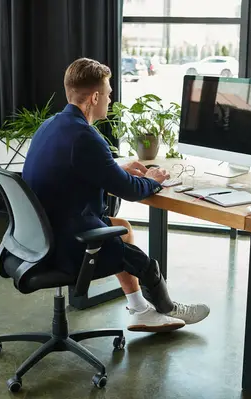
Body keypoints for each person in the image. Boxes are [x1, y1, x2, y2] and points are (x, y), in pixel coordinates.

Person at [22, 57, 209, 332]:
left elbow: (73, 169)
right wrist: (153, 179)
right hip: (65, 244)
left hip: (37, 235)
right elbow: (131, 191)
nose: (110, 99)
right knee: (141, 261)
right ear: (95, 96)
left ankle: (140, 310)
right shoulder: (85, 137)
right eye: (108, 94)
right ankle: (169, 308)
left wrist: (116, 168)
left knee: (121, 229)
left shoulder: (51, 125)